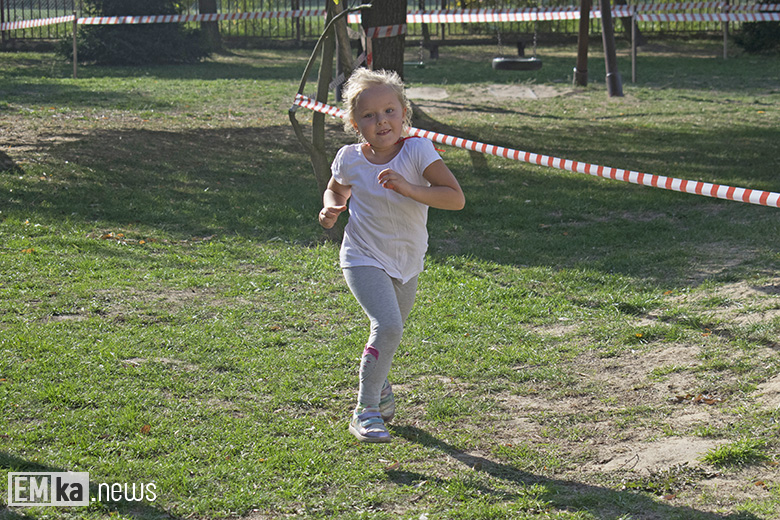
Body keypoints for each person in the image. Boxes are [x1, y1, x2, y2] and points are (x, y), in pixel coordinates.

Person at [319, 68, 465, 443]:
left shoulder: (418, 151)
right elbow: (336, 189)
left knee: (392, 331)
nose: (381, 121)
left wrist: (409, 188)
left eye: (389, 112)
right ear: (355, 123)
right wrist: (332, 208)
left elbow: (454, 198)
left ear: (404, 112)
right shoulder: (349, 157)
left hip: (407, 260)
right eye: (369, 115)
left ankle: (380, 388)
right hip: (362, 255)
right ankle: (365, 410)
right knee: (388, 327)